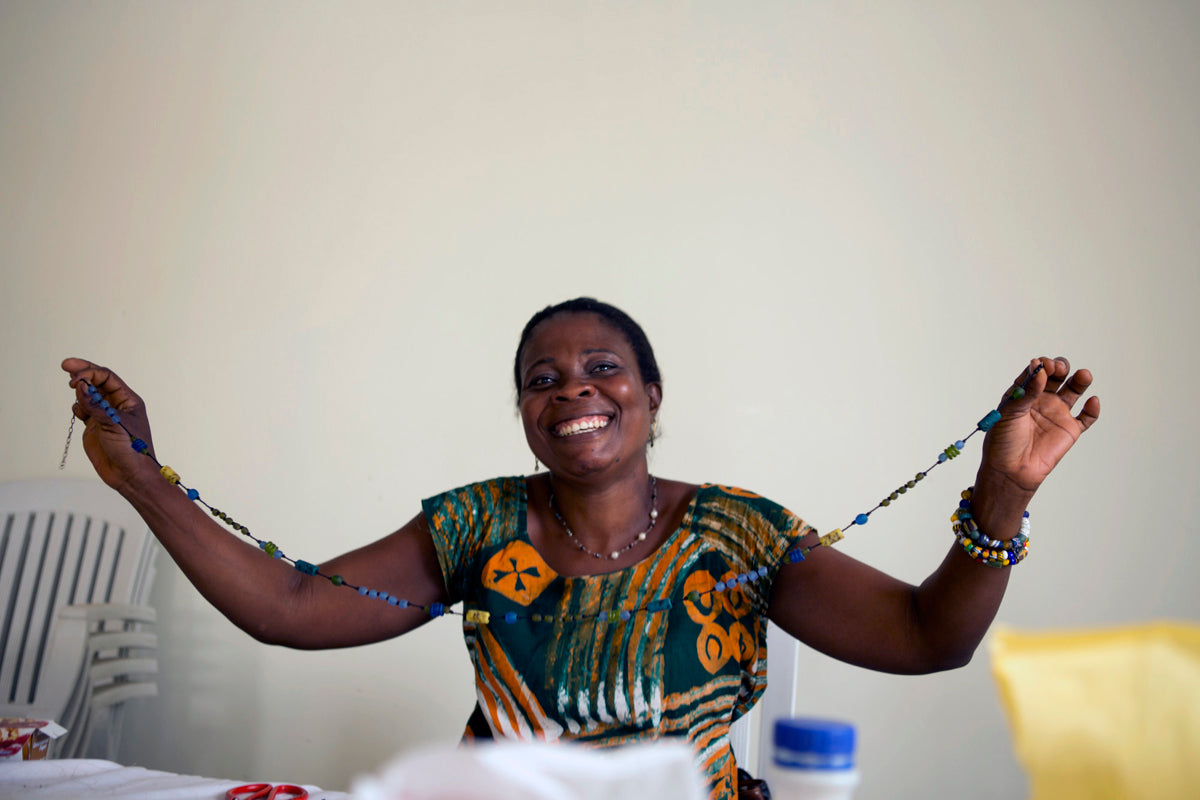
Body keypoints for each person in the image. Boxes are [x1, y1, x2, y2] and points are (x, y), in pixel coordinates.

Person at [61, 297, 1100, 800]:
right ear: (522, 407)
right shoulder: (477, 527)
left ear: (651, 397)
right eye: (543, 377)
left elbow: (929, 634)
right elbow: (288, 609)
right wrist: (143, 479)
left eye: (603, 367)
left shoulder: (738, 531)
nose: (574, 391)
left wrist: (1000, 491)